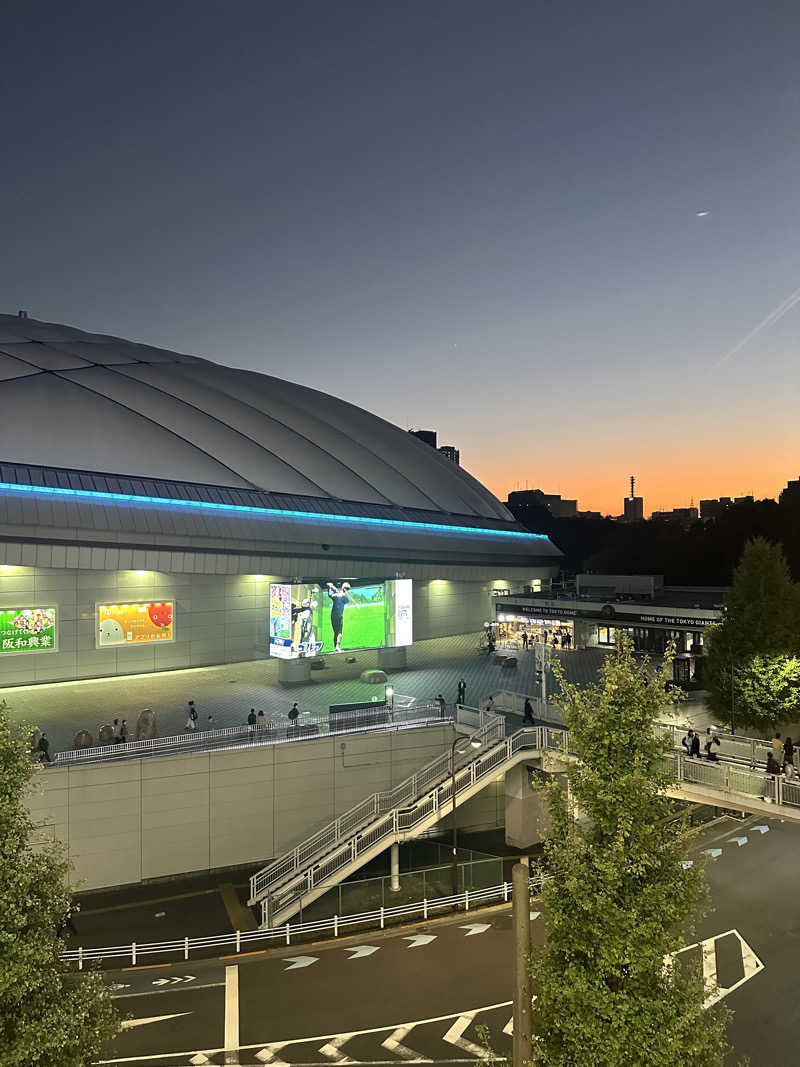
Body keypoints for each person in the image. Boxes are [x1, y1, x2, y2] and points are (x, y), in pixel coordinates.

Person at [327, 581, 358, 653]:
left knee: (335, 632)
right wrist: (331, 587)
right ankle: (337, 647)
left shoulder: (336, 595)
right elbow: (347, 600)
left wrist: (330, 587)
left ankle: (335, 648)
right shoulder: (343, 597)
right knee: (339, 632)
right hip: (339, 616)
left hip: (333, 616)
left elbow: (330, 595)